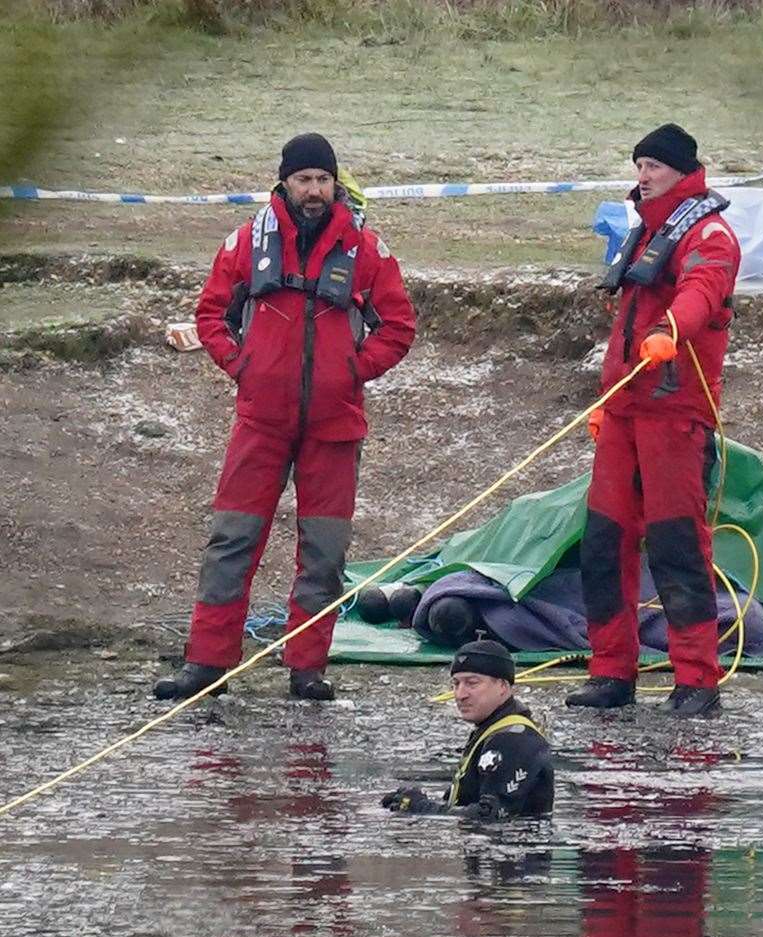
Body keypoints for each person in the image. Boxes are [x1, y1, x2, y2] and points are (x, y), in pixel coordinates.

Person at [154, 133, 416, 702]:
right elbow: (210, 315)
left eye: (324, 180)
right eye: (305, 180)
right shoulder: (248, 241)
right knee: (232, 541)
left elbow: (398, 326)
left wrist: (353, 370)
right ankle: (206, 664)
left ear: (336, 183)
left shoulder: (367, 248)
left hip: (336, 425)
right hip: (260, 421)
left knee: (324, 553)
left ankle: (307, 669)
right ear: (285, 183)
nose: (315, 190)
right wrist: (243, 366)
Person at [565, 123, 741, 718]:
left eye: (654, 167)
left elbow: (703, 288)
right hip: (624, 409)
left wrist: (671, 330)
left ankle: (697, 678)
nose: (642, 175)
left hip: (676, 413)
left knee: (677, 546)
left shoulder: (709, 233)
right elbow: (621, 330)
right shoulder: (646, 229)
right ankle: (611, 671)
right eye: (638, 165)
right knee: (603, 543)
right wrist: (603, 402)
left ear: (682, 171)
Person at [382, 639, 554, 819]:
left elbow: (489, 815)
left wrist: (424, 808)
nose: (460, 695)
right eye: (456, 684)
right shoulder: (491, 730)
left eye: (472, 683)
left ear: (503, 686)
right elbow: (465, 803)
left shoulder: (513, 739)